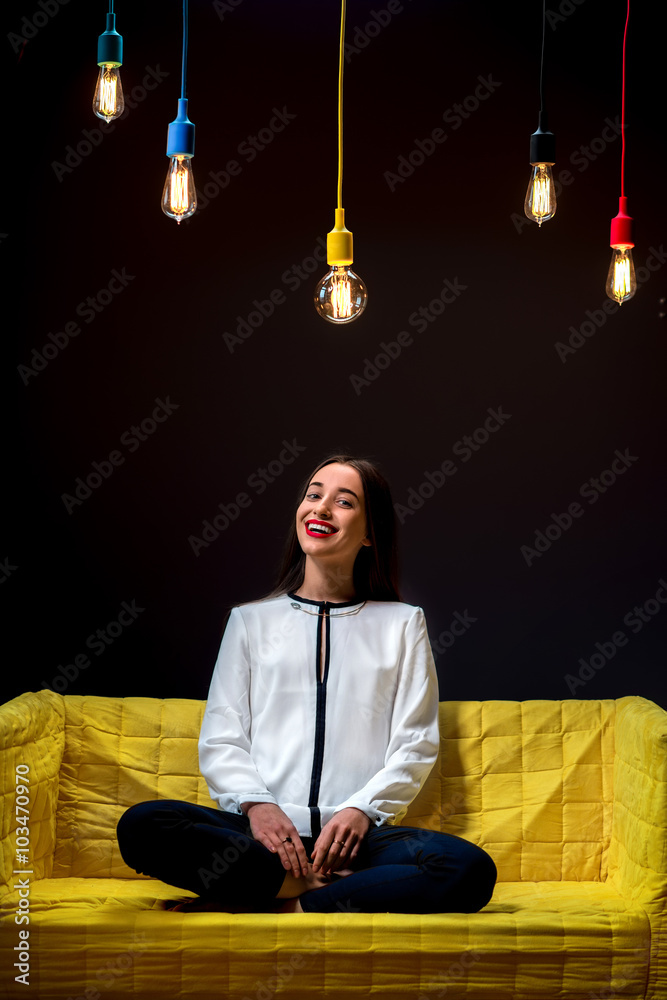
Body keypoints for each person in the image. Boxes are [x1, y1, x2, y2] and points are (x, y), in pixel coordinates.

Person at [117, 454, 496, 914]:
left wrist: (360, 810)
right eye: (313, 495)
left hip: (356, 842)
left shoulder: (403, 624)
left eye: (343, 502)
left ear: (371, 532)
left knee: (465, 867)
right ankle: (296, 885)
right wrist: (258, 807)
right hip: (263, 838)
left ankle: (289, 901)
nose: (320, 509)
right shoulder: (249, 622)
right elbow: (223, 737)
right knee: (144, 825)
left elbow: (415, 743)